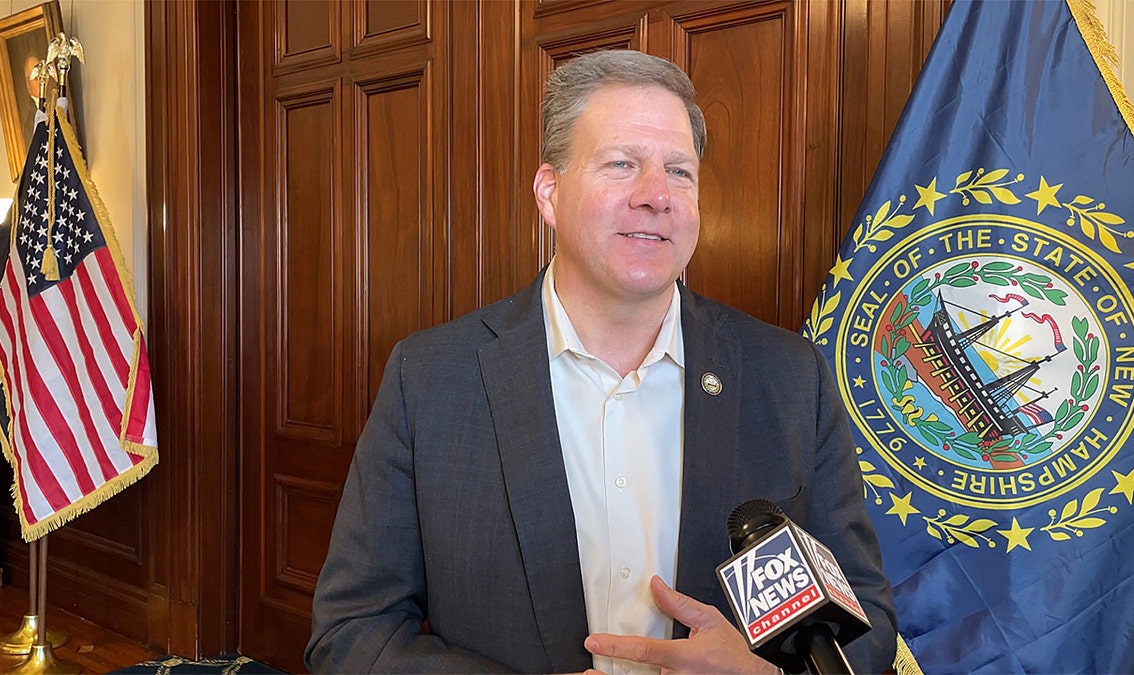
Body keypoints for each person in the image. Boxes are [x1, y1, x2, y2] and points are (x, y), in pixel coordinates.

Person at [306, 49, 897, 674]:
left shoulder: (790, 377)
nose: (656, 196)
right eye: (621, 164)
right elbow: (352, 634)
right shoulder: (429, 379)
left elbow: (869, 623)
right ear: (550, 193)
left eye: (679, 171)